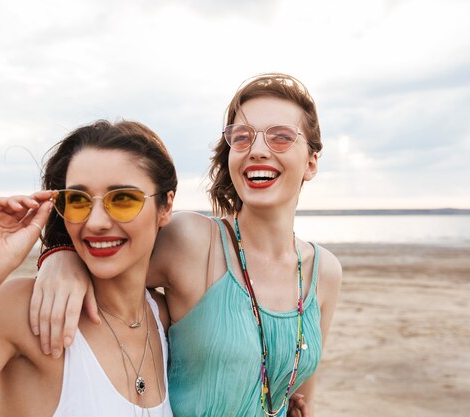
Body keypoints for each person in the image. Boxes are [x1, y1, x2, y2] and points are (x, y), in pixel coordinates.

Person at [32, 73, 343, 416]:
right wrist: (60, 257)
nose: (257, 150)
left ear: (311, 162)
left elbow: (302, 399)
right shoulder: (191, 240)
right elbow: (106, 251)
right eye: (241, 138)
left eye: (280, 138)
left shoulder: (323, 271)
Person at [0, 120, 177, 417]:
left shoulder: (165, 317)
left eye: (122, 199)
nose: (95, 222)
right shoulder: (23, 311)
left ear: (165, 207)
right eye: (78, 200)